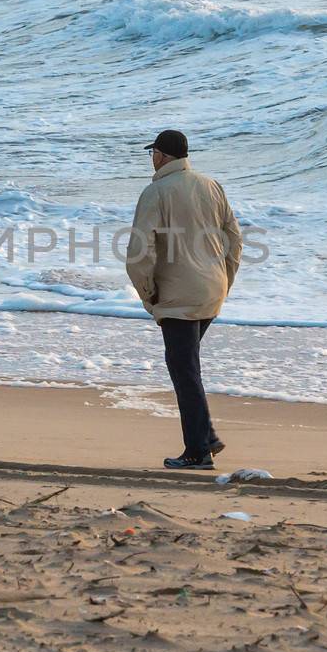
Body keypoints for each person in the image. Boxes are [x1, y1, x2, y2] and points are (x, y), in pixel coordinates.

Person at [124, 129, 243, 470]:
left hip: (178, 296)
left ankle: (197, 452)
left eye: (153, 153)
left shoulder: (155, 192)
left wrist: (149, 295)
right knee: (187, 365)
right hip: (211, 291)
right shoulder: (211, 186)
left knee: (184, 371)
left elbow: (137, 253)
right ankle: (207, 437)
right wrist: (224, 282)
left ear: (161, 156)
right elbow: (234, 241)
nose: (152, 159)